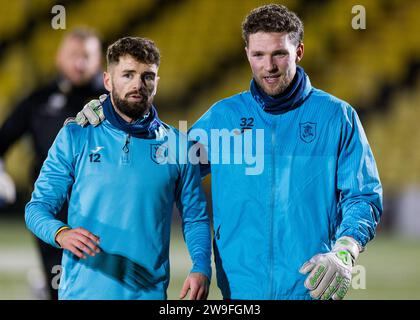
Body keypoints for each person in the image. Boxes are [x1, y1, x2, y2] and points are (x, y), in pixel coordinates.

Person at [75, 5, 383, 300]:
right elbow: (163, 164)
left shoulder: (336, 117)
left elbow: (363, 195)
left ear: (298, 52)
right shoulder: (223, 118)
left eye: (279, 54)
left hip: (311, 287)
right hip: (239, 292)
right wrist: (110, 120)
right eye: (258, 55)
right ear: (247, 54)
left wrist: (346, 248)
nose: (269, 66)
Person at [25, 36, 211, 300]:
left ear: (156, 83)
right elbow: (37, 208)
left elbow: (195, 218)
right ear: (108, 80)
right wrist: (61, 233)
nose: (137, 84)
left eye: (147, 76)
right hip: (80, 295)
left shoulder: (180, 147)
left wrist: (202, 267)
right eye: (127, 75)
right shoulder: (76, 136)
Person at [0, 28, 105, 299]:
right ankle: (48, 287)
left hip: (102, 208)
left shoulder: (113, 102)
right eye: (73, 55)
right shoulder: (38, 99)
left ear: (98, 60)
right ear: (59, 57)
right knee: (59, 282)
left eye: (87, 56)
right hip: (52, 209)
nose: (79, 63)